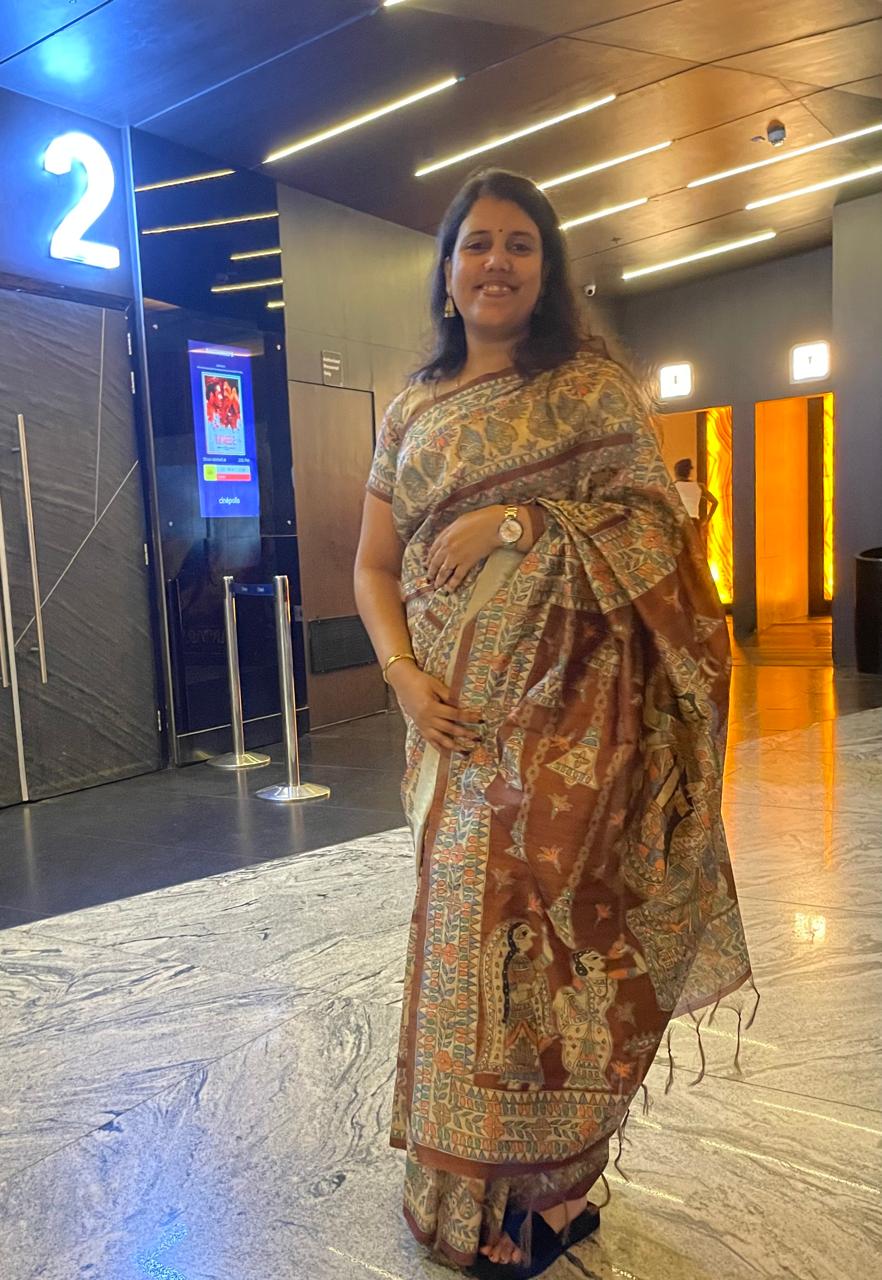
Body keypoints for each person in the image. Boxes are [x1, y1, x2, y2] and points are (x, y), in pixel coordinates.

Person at [354, 169, 752, 1279]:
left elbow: (656, 536)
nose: (497, 262)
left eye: (520, 244)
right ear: (447, 270)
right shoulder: (412, 410)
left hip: (573, 735)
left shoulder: (591, 392)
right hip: (452, 734)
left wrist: (520, 519)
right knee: (460, 960)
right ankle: (459, 1196)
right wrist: (401, 678)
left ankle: (549, 1198)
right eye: (477, 244)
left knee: (559, 966)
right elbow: (373, 564)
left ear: (548, 267)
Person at [673, 457, 718, 544]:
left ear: (676, 472)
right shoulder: (699, 486)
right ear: (689, 472)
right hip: (694, 523)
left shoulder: (673, 487)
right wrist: (706, 520)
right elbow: (715, 502)